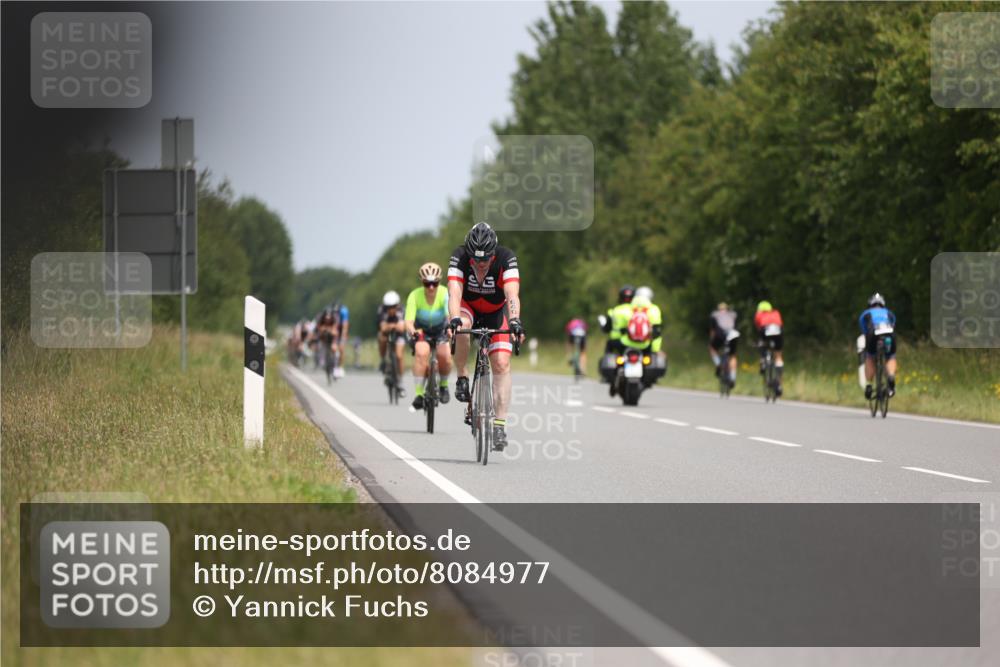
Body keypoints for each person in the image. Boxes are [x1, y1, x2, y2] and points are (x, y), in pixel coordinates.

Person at [447, 222, 524, 451]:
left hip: (495, 313)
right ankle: (462, 375)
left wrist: (515, 321)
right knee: (462, 327)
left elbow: (512, 294)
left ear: (493, 254)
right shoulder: (459, 256)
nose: (480, 265)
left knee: (501, 363)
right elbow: (454, 292)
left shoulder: (506, 258)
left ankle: (499, 425)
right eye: (476, 260)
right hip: (467, 307)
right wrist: (453, 319)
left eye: (485, 260)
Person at [404, 262, 452, 410]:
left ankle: (443, 385)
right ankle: (419, 394)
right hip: (421, 330)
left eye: (435, 283)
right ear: (422, 282)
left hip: (441, 329)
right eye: (427, 283)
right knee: (421, 353)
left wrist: (451, 327)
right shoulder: (414, 295)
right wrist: (412, 330)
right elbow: (408, 321)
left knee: (445, 355)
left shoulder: (445, 293)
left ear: (439, 282)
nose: (431, 287)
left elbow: (449, 314)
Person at [859, 292, 898, 399]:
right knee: (890, 356)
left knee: (870, 356)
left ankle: (869, 384)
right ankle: (890, 376)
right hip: (889, 334)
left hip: (873, 334)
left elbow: (864, 331)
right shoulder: (889, 313)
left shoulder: (865, 314)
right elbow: (893, 325)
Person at [376, 290, 406, 397]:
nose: (391, 309)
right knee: (382, 338)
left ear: (397, 305)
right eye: (388, 307)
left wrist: (393, 326)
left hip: (399, 334)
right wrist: (392, 326)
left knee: (399, 356)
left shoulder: (402, 310)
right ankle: (383, 360)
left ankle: (401, 383)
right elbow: (382, 328)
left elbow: (402, 328)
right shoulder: (381, 310)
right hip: (385, 333)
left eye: (393, 306)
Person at [753, 300, 784, 397]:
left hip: (765, 329)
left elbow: (758, 328)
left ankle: (763, 361)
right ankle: (778, 382)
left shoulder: (759, 314)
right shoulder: (776, 313)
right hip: (778, 330)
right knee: (778, 354)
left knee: (762, 344)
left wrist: (759, 342)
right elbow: (780, 324)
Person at [709, 302, 739, 388]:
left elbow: (713, 330)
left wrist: (711, 340)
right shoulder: (733, 314)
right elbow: (735, 327)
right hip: (732, 334)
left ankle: (718, 364)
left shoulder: (715, 315)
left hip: (720, 334)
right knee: (732, 356)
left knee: (712, 348)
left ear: (719, 309)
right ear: (727, 308)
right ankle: (733, 378)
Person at [599, 285, 635, 355]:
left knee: (608, 356)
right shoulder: (639, 311)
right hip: (637, 343)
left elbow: (606, 329)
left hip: (618, 343)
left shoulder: (613, 312)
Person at [333, 301, 350, 378]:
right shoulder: (332, 313)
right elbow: (332, 326)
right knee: (333, 347)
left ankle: (340, 367)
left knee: (341, 349)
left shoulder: (344, 312)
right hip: (334, 329)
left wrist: (343, 336)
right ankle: (333, 365)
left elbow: (345, 325)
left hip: (341, 329)